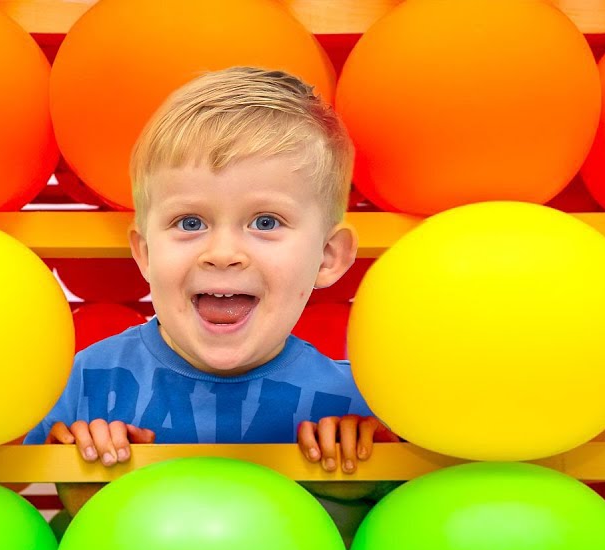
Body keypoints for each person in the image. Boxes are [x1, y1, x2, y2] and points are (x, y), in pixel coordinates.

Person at [24, 66, 397, 519]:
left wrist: (376, 481)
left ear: (328, 257)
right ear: (145, 253)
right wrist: (75, 481)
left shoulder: (360, 405)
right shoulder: (80, 384)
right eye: (190, 222)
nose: (222, 254)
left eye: (266, 222)